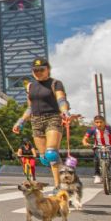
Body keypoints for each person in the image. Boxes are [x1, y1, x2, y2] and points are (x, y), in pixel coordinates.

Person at [12, 58, 71, 189]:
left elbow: (61, 99)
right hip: (36, 120)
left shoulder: (55, 83)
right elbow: (30, 107)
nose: (38, 72)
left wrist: (65, 112)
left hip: (53, 117)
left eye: (41, 69)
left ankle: (59, 187)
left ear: (48, 69)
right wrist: (20, 121)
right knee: (44, 158)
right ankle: (66, 178)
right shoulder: (30, 86)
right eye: (35, 70)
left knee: (52, 153)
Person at [82, 115, 111, 183]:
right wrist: (85, 142)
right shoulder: (92, 130)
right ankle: (97, 175)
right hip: (98, 147)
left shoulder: (110, 129)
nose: (99, 124)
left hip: (110, 146)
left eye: (101, 122)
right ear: (94, 123)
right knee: (96, 160)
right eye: (97, 122)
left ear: (104, 122)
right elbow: (85, 138)